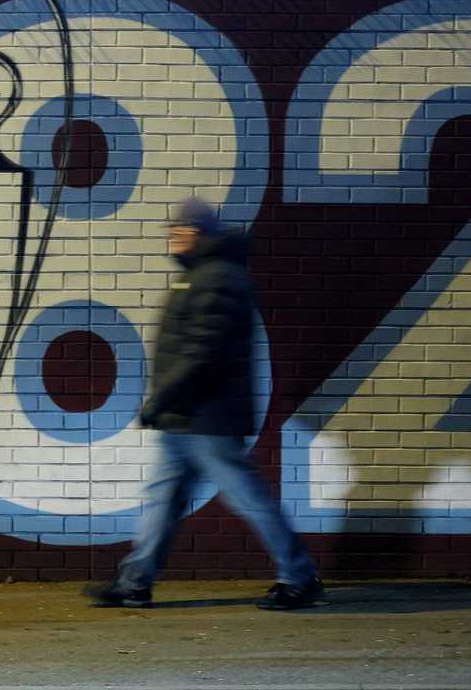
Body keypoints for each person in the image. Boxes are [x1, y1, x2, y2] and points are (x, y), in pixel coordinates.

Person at [90, 196, 323, 611]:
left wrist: (161, 398)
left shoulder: (218, 278)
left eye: (182, 232)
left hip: (208, 419)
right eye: (173, 232)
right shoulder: (201, 276)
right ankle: (134, 582)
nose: (173, 239)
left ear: (201, 235)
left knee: (248, 499)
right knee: (163, 501)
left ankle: (300, 577)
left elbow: (203, 351)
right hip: (186, 418)